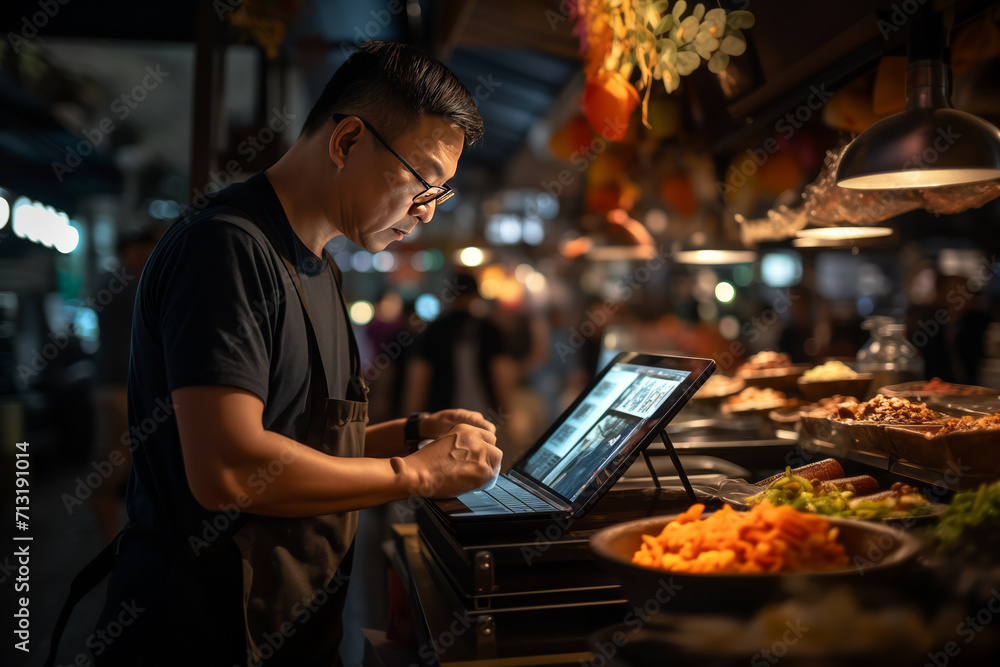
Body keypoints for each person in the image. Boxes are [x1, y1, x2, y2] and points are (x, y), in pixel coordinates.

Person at [48, 42, 501, 667]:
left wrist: (414, 435)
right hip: (202, 635)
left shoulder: (318, 266)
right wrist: (416, 473)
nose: (425, 211)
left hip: (289, 629)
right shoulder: (226, 249)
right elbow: (230, 468)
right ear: (346, 141)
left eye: (440, 195)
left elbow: (302, 444)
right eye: (424, 181)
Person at [90, 228, 155, 542]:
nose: (146, 256)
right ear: (127, 251)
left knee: (122, 466)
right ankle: (113, 542)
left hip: (117, 385)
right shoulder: (122, 284)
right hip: (117, 387)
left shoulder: (115, 282)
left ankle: (118, 540)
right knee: (114, 468)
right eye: (141, 249)